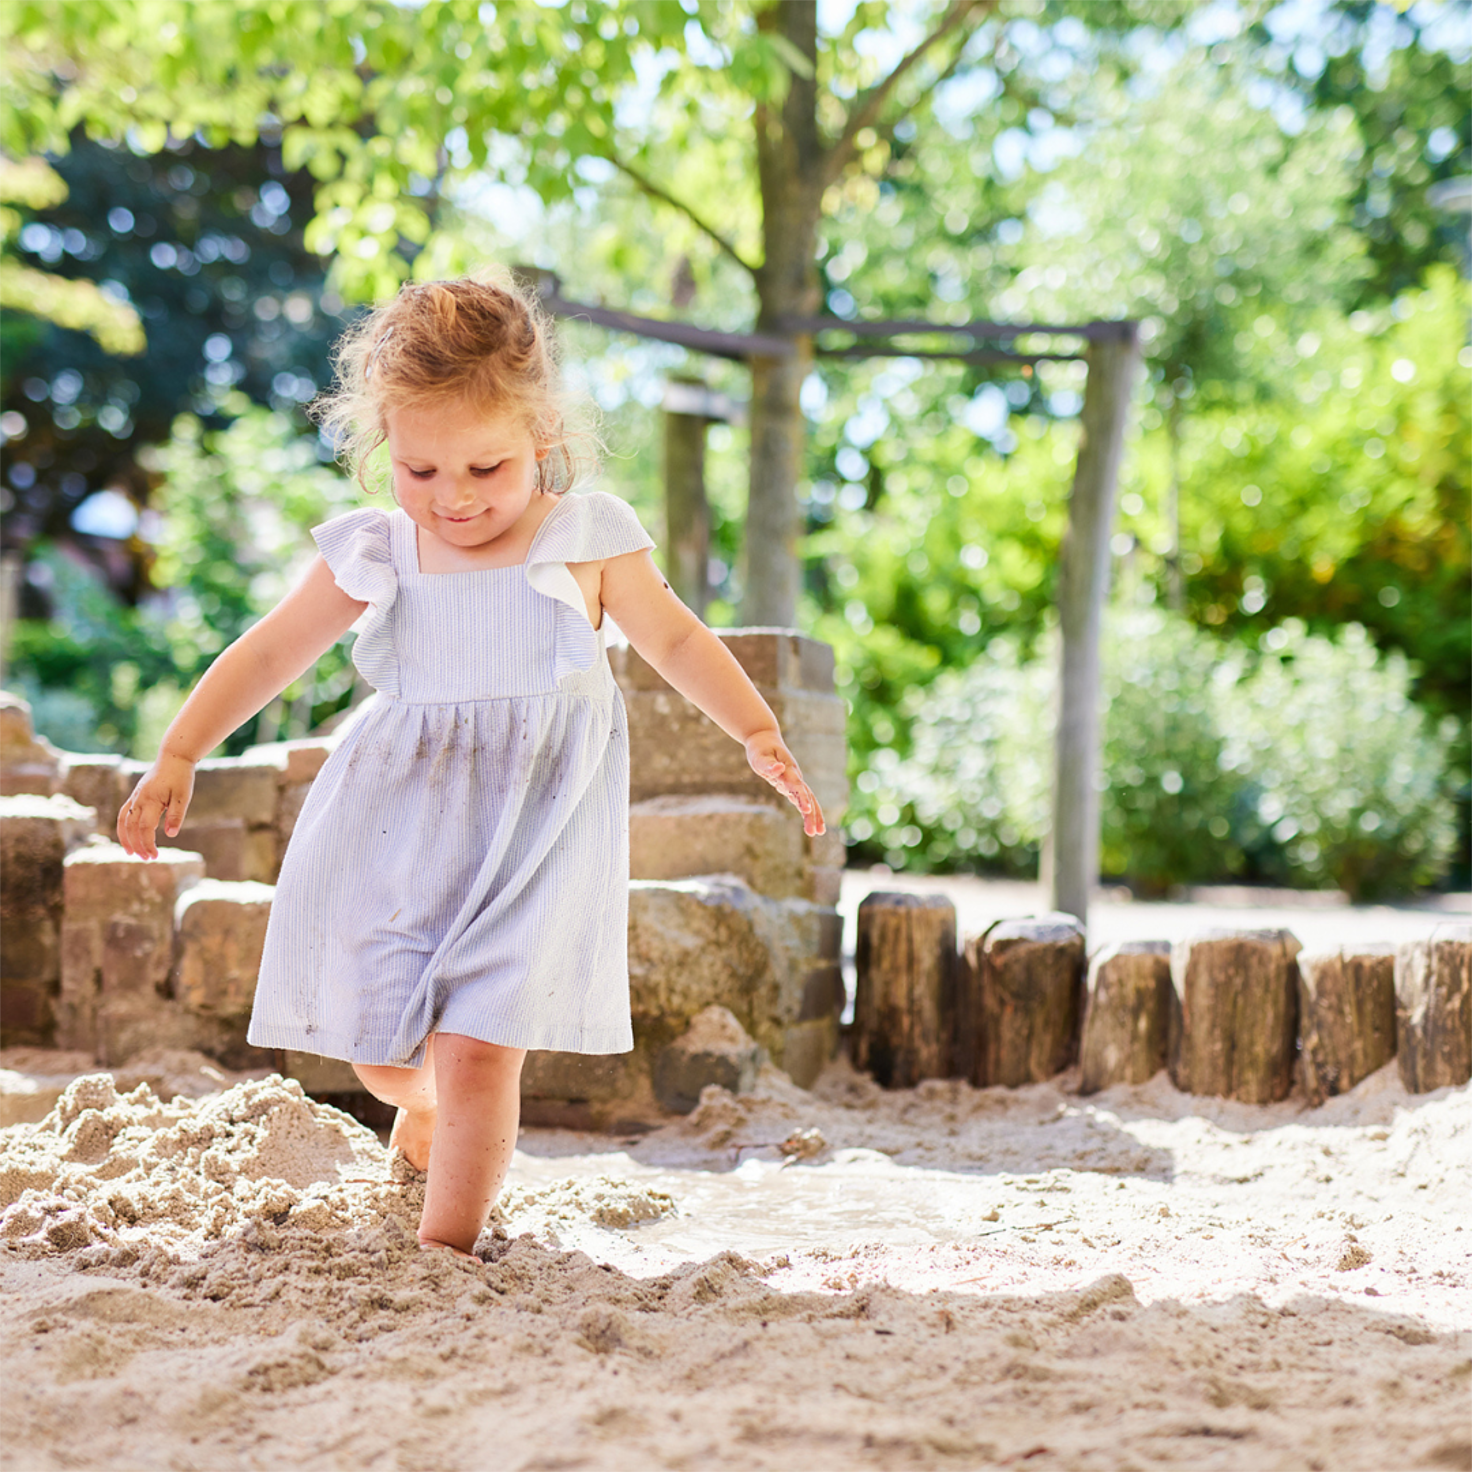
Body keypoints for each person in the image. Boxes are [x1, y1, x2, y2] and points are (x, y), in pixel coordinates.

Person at [116, 273, 824, 1258]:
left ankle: (444, 1250)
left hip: (534, 832)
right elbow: (273, 648)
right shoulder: (379, 549)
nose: (452, 499)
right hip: (402, 825)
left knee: (483, 1047)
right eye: (419, 472)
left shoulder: (587, 537)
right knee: (381, 1056)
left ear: (542, 435)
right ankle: (432, 1107)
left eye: (485, 469)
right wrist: (182, 749)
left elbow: (678, 639)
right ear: (385, 453)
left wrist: (755, 729)